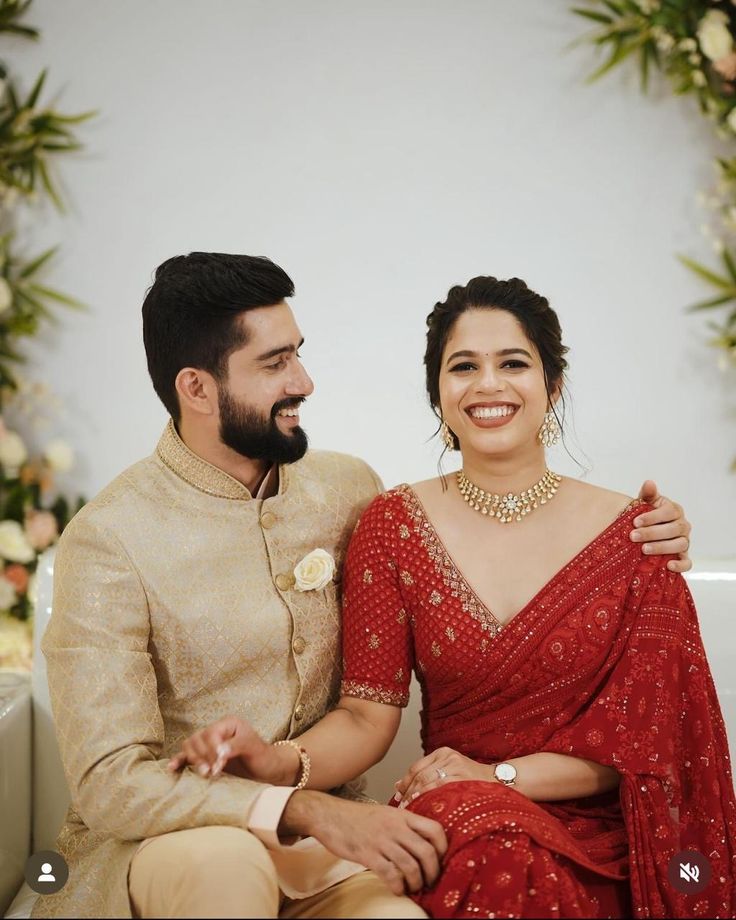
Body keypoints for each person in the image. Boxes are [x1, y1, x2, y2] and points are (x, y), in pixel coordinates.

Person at [38, 255, 691, 920]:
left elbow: (370, 700)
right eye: (275, 364)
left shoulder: (346, 491)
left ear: (553, 384)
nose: (305, 381)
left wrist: (653, 533)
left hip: (329, 848)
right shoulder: (108, 539)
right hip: (177, 842)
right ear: (198, 390)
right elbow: (110, 784)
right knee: (225, 868)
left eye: (299, 354)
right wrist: (299, 805)